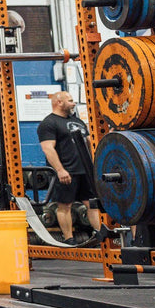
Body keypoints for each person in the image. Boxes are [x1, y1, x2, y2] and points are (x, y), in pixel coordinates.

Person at [37, 91, 100, 245]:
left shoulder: (78, 121)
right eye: (70, 101)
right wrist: (60, 170)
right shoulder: (48, 123)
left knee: (92, 204)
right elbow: (48, 149)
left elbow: (89, 143)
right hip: (66, 171)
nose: (73, 103)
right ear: (59, 102)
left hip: (86, 170)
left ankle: (100, 236)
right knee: (65, 206)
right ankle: (69, 239)